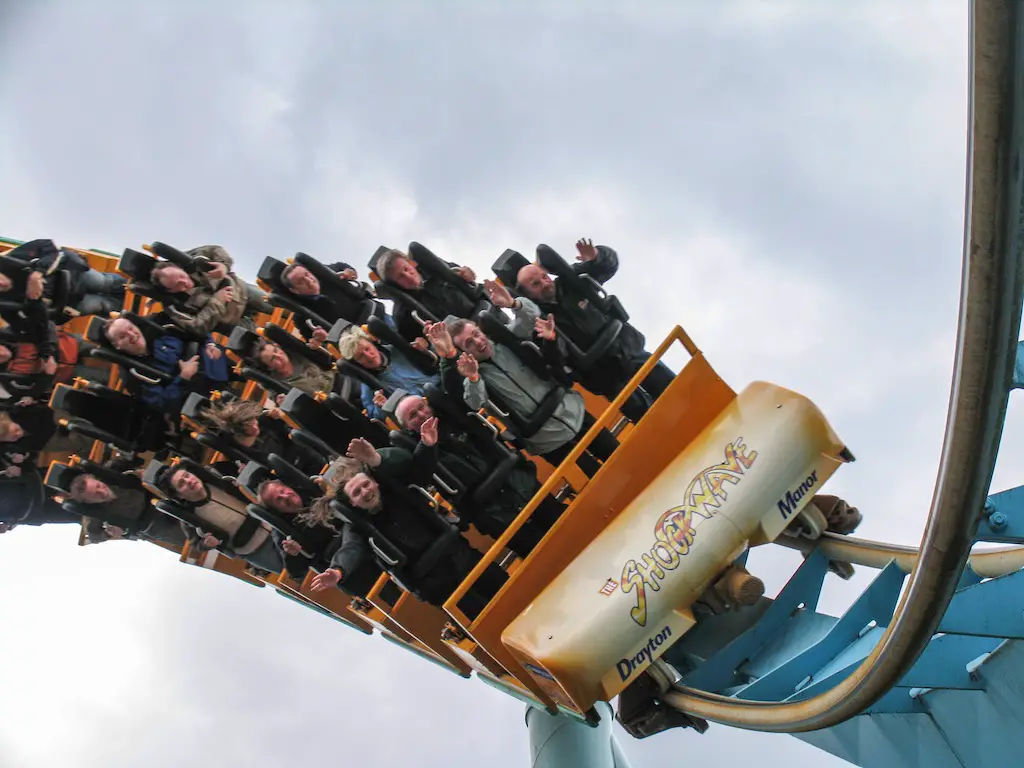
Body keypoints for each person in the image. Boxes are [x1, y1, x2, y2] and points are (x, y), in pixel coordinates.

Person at [317, 436, 508, 616]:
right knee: (481, 613)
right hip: (433, 582)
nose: (365, 492)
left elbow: (409, 462)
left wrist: (376, 457)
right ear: (353, 503)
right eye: (357, 492)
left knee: (504, 589)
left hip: (458, 554)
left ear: (374, 482)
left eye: (366, 485)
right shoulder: (359, 526)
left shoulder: (396, 488)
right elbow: (351, 548)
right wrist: (338, 570)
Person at [427, 301, 620, 477]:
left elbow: (529, 318)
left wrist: (515, 304)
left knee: (618, 454)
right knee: (600, 480)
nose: (478, 342)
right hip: (549, 442)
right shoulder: (473, 377)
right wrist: (473, 377)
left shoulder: (508, 341)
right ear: (463, 352)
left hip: (574, 413)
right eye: (468, 343)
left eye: (476, 334)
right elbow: (474, 402)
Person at [508, 239, 675, 420]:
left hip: (627, 349)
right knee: (646, 417)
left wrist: (596, 256)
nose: (545, 283)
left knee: (672, 387)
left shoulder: (571, 280)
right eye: (535, 284)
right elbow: (554, 362)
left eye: (544, 277)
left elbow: (607, 266)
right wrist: (551, 340)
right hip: (605, 376)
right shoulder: (537, 321)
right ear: (527, 294)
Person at [393, 394, 564, 556]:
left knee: (561, 522)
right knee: (536, 552)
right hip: (489, 511)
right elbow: (419, 476)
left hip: (518, 482)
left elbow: (457, 388)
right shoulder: (415, 452)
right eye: (413, 415)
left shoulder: (453, 413)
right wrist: (428, 445)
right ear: (407, 426)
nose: (422, 414)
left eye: (421, 407)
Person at [156, 465, 282, 573]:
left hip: (275, 525)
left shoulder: (217, 479)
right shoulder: (189, 519)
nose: (189, 481)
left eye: (187, 475)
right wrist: (207, 544)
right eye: (181, 483)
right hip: (257, 551)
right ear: (179, 495)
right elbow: (197, 544)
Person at [103, 316, 230, 413]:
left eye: (130, 328)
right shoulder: (132, 375)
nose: (132, 335)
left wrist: (210, 344)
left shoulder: (161, 327)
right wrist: (183, 377)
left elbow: (196, 329)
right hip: (199, 396)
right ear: (117, 346)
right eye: (123, 336)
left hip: (217, 367)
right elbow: (161, 403)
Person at [375, 248, 480, 344]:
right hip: (462, 344)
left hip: (480, 318)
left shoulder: (437, 271)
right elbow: (422, 350)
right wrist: (424, 342)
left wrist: (469, 278)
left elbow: (476, 290)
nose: (408, 276)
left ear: (411, 263)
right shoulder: (403, 315)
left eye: (406, 269)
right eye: (400, 277)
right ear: (395, 285)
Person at [336, 325, 440, 420]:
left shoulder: (399, 349)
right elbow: (375, 417)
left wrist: (427, 349)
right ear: (357, 363)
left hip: (441, 386)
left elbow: (437, 360)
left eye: (367, 349)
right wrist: (381, 407)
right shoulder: (368, 387)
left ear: (373, 343)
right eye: (360, 356)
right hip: (422, 413)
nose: (368, 356)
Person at [149, 245, 251, 336]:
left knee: (266, 300)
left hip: (242, 290)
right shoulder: (174, 307)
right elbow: (197, 327)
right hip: (233, 320)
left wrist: (223, 265)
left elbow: (216, 249)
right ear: (170, 290)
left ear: (180, 268)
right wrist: (217, 301)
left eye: (181, 276)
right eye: (178, 284)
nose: (184, 282)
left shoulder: (195, 260)